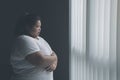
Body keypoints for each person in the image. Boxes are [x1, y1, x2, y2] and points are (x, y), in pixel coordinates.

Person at [10, 13, 58, 80]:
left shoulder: (41, 39)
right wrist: (55, 58)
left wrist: (54, 64)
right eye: (37, 26)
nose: (40, 29)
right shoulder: (23, 39)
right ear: (27, 27)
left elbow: (52, 53)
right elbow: (40, 60)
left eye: (40, 26)